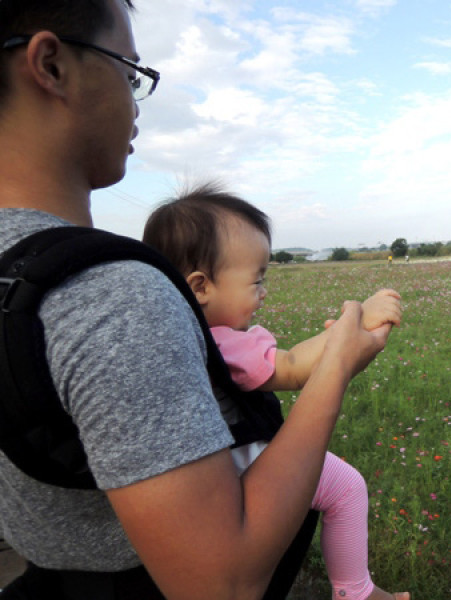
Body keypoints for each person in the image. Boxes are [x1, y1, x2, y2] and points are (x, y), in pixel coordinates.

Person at [0, 1, 392, 598]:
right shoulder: (114, 298)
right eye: (129, 71)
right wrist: (336, 365)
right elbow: (221, 583)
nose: (135, 103)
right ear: (50, 65)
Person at [142, 185, 408, 600]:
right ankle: (355, 590)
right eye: (256, 279)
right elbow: (293, 367)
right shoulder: (222, 342)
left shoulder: (170, 336)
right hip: (247, 462)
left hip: (207, 476)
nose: (264, 291)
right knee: (347, 488)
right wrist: (353, 326)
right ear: (200, 287)